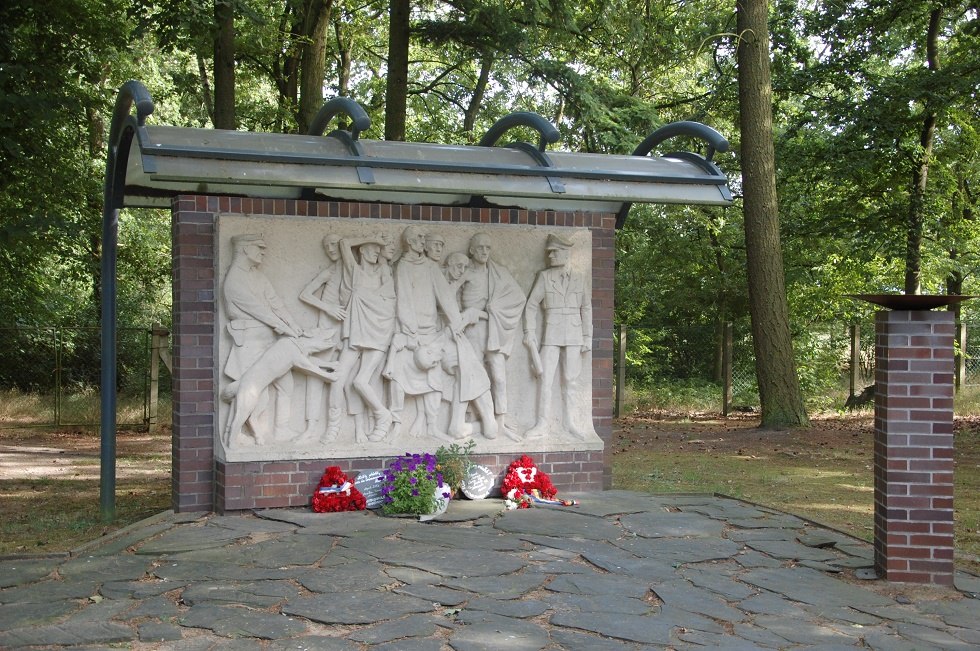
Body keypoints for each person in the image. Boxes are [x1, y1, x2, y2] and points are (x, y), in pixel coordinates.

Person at [222, 233, 304, 444]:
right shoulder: (234, 279)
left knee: (286, 385)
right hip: (249, 342)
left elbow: (275, 303)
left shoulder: (257, 276)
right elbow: (260, 310)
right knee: (251, 391)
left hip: (269, 341)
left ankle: (281, 429)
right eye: (259, 247)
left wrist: (293, 325)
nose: (263, 252)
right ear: (245, 249)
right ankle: (237, 433)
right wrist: (284, 328)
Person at [523, 233, 593, 439]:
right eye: (549, 252)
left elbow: (586, 308)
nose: (550, 256)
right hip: (551, 334)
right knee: (545, 379)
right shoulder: (544, 277)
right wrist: (529, 332)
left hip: (574, 334)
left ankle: (570, 423)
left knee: (571, 380)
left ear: (566, 253)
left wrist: (587, 336)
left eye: (555, 252)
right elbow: (531, 305)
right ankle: (542, 423)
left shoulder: (580, 277)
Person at [328, 234, 397, 442]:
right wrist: (371, 236)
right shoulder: (355, 271)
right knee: (338, 378)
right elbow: (344, 243)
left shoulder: (383, 271)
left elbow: (390, 301)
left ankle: (382, 416)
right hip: (357, 331)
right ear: (362, 250)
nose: (376, 251)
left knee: (360, 381)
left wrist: (375, 242)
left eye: (378, 248)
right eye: (372, 247)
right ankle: (333, 427)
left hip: (378, 331)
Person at [459, 232, 526, 440]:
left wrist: (494, 310)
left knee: (499, 377)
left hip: (493, 329)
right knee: (472, 375)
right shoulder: (464, 271)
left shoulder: (498, 272)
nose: (484, 251)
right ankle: (471, 418)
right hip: (471, 331)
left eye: (488, 247)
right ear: (471, 250)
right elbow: (448, 295)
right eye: (480, 247)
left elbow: (519, 298)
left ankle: (501, 422)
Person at [297, 234, 345, 440]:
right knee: (315, 377)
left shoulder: (356, 272)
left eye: (334, 244)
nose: (330, 249)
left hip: (349, 333)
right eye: (327, 246)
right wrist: (328, 307)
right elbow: (304, 294)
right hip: (327, 332)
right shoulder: (330, 271)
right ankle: (311, 427)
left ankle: (341, 427)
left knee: (345, 380)